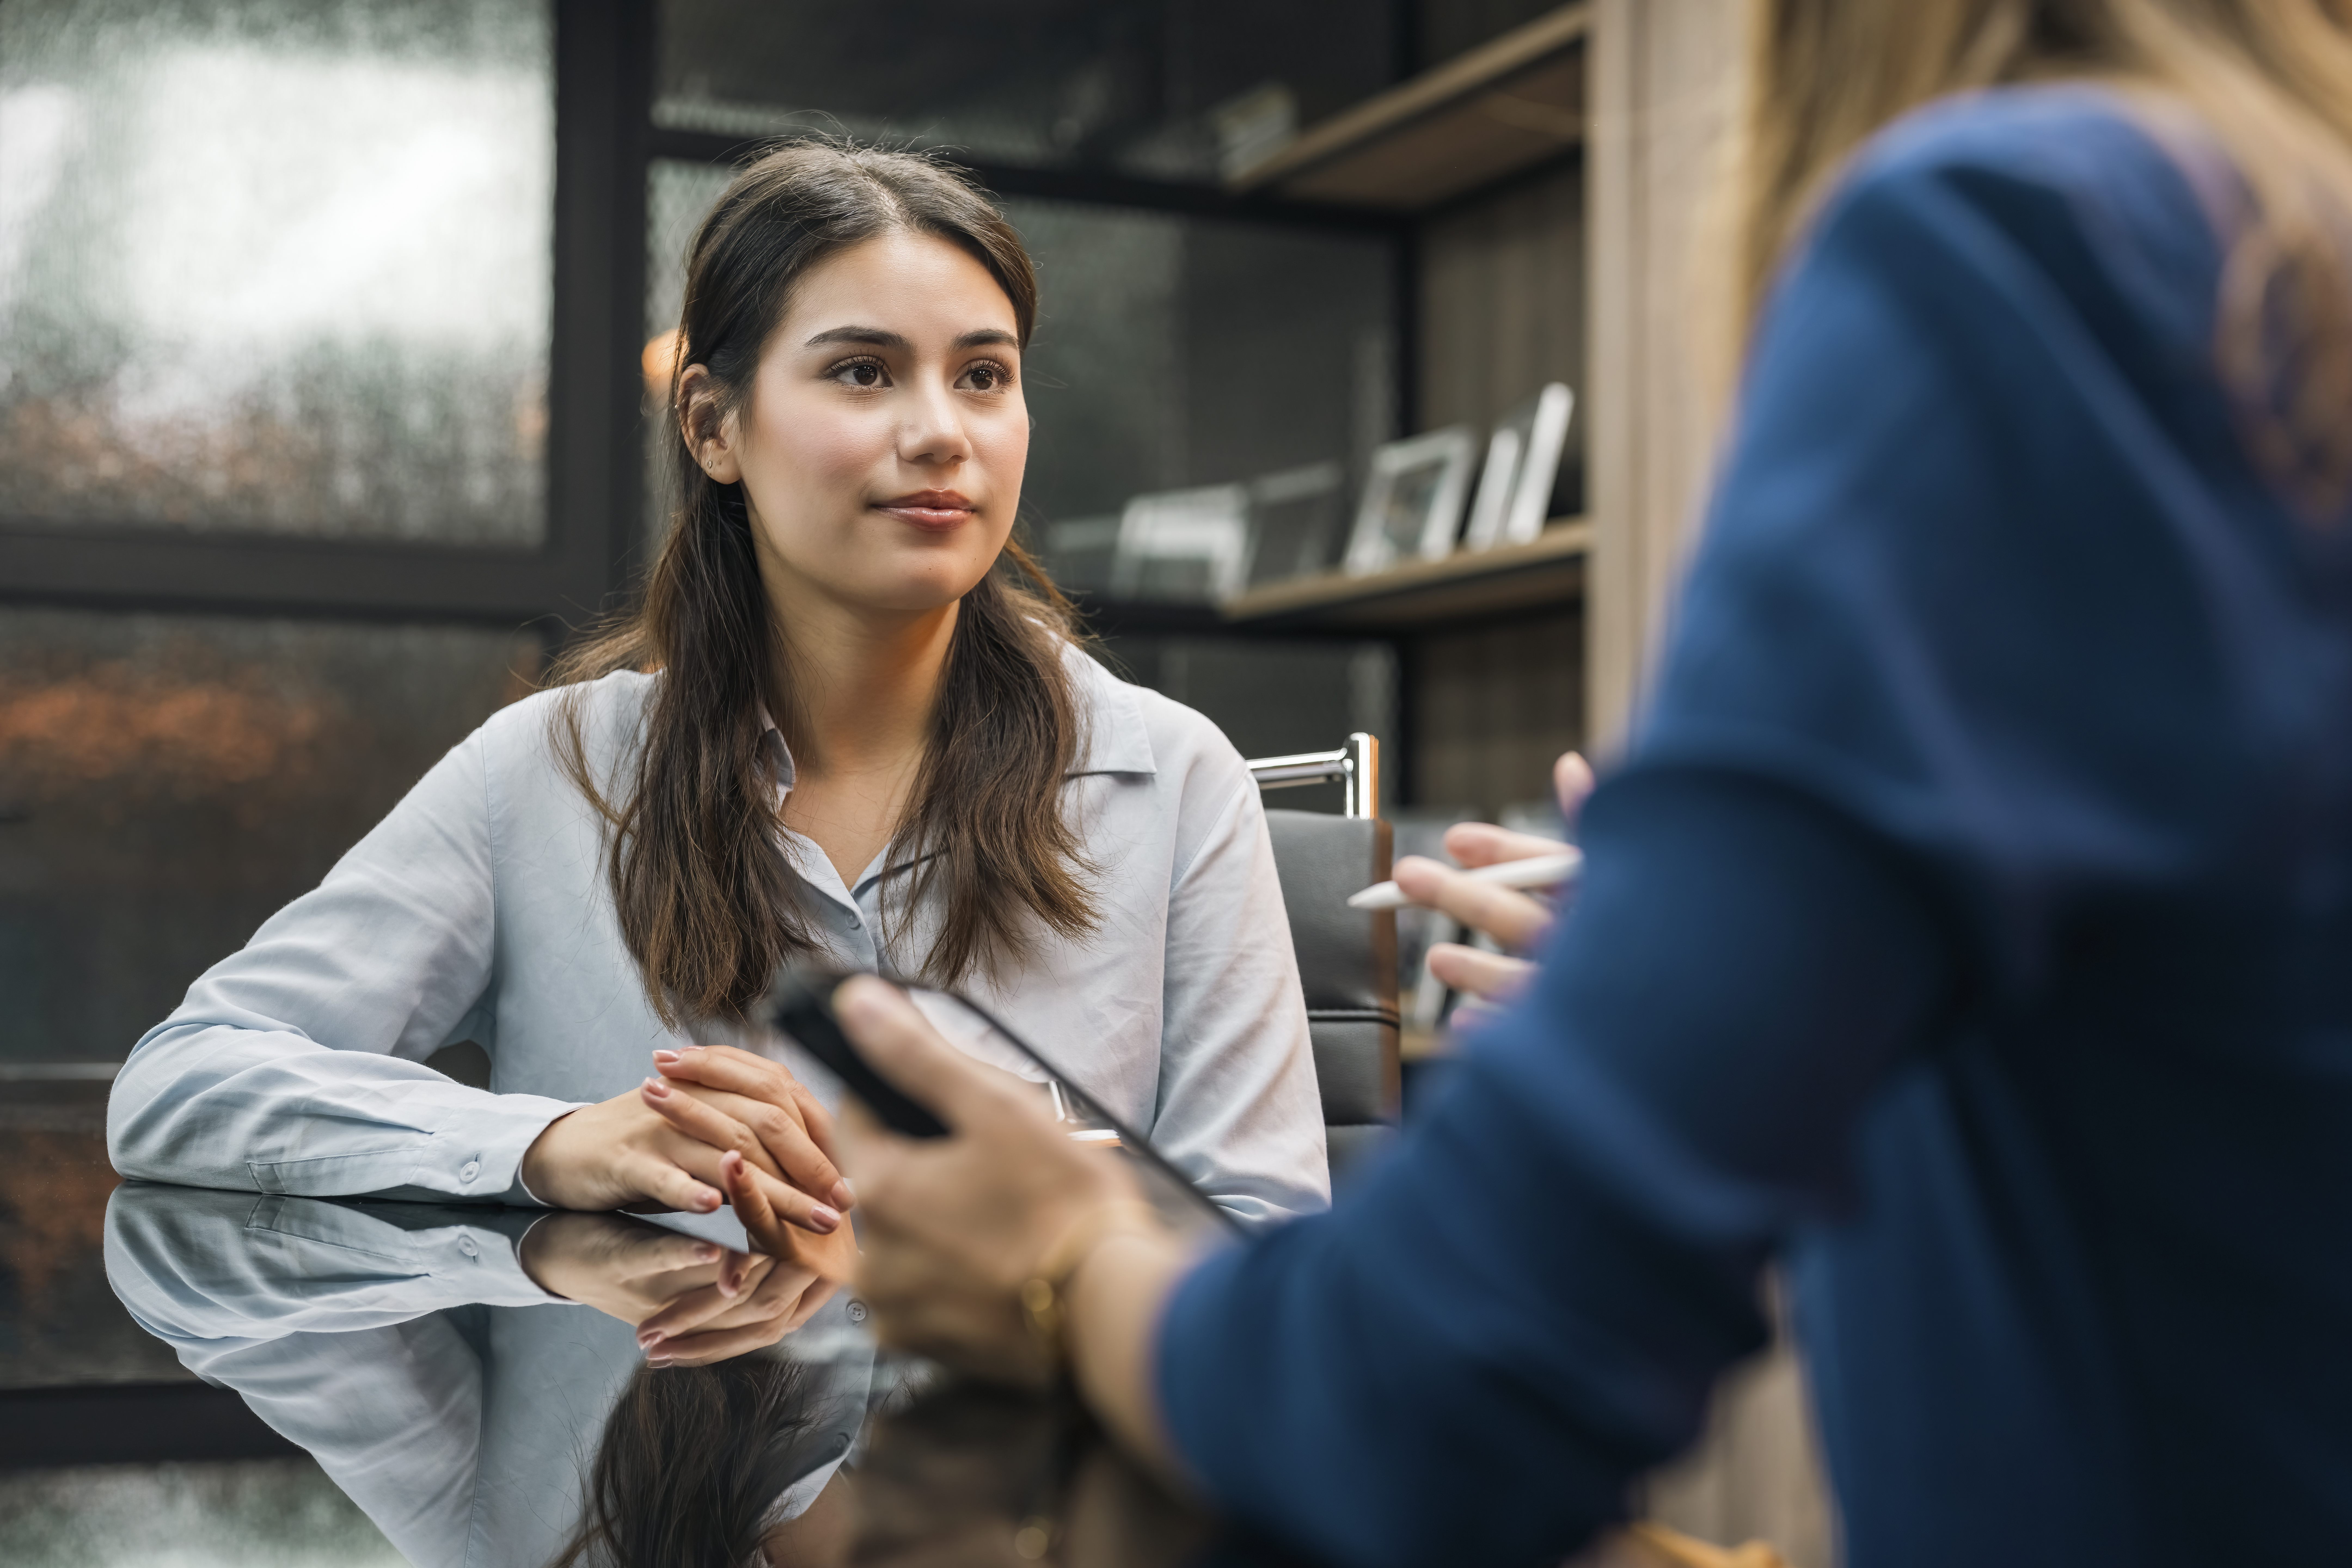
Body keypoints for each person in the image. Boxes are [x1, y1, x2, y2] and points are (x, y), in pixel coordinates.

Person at [815, 3, 2352, 1565]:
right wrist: (1719, 984)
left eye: (984, 375)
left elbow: (1453, 1382)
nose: (933, 437)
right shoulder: (2276, 241)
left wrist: (1064, 1264)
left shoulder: (2025, 241)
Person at [106, 142, 1330, 1242]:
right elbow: (186, 1082)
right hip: (658, 1457)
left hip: (1025, 1471)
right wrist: (549, 1145)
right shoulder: (549, 770)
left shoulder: (1169, 776)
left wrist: (1039, 1210)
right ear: (712, 427)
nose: (941, 432)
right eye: (862, 373)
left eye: (983, 377)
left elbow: (1267, 1239)